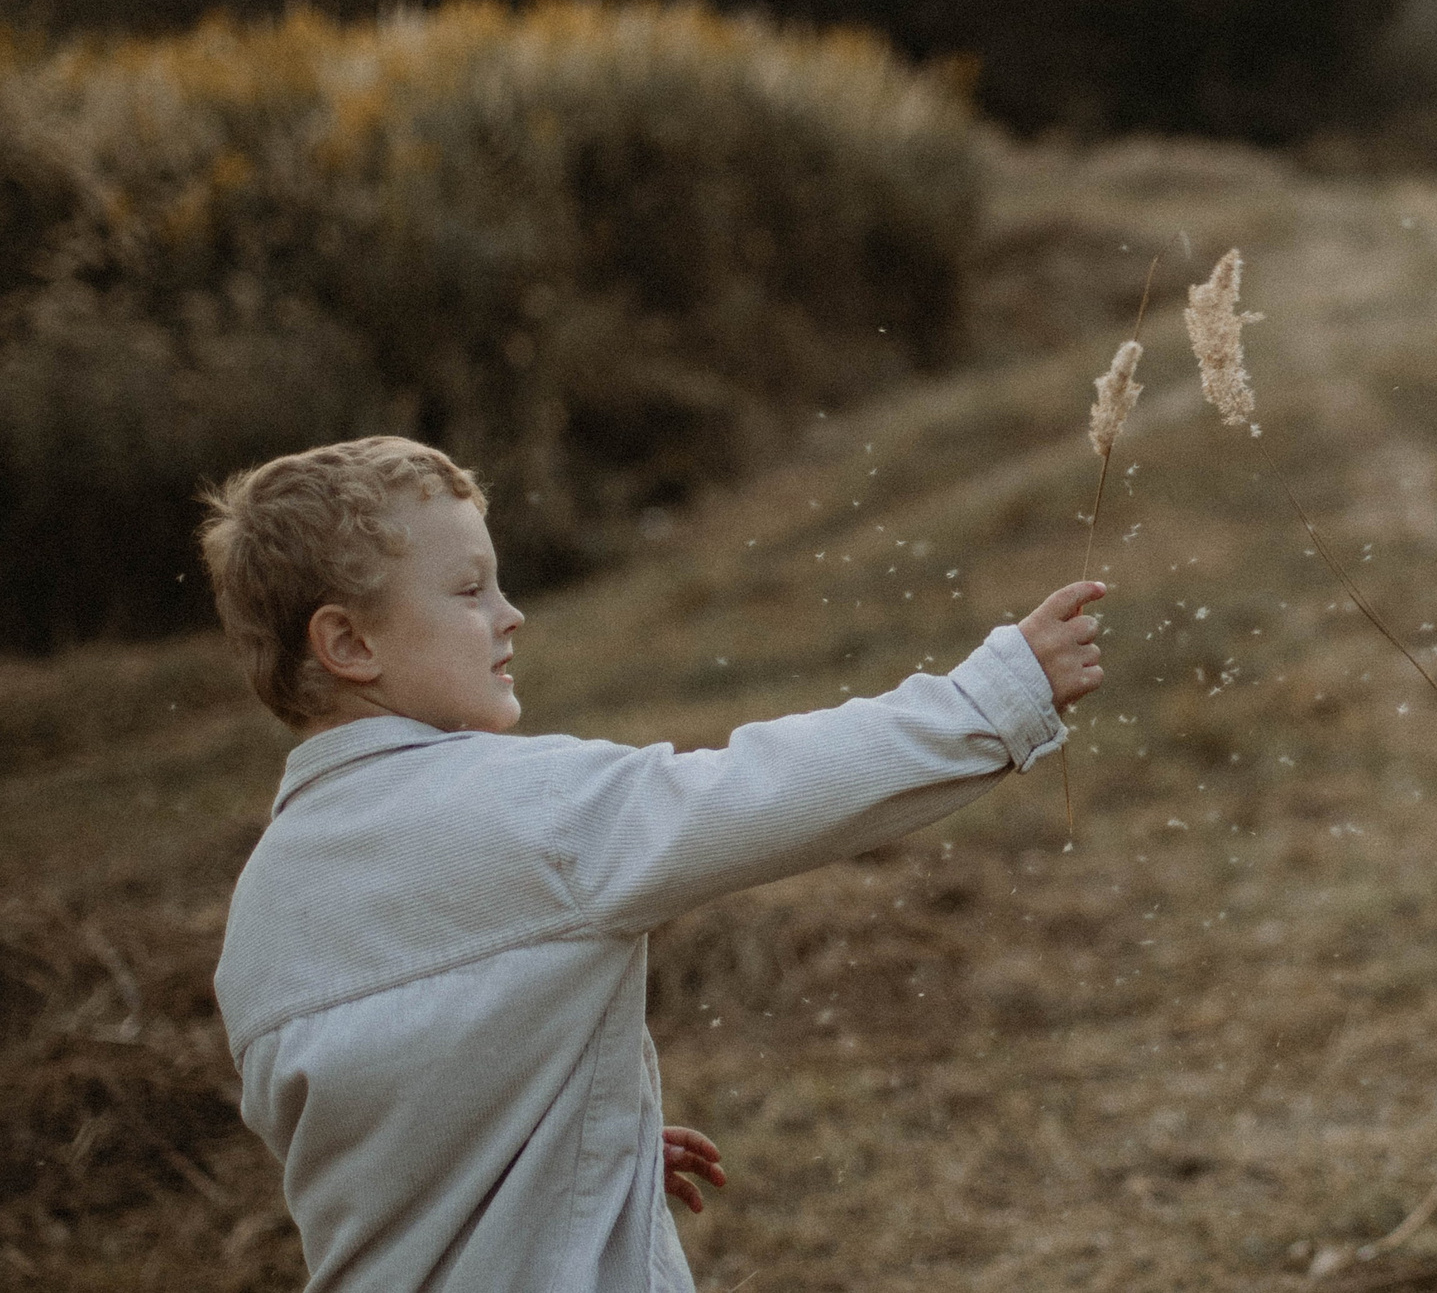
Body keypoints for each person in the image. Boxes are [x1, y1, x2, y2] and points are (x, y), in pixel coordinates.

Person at [201, 435, 1103, 1292]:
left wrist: (571, 1143)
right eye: (469, 589)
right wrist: (992, 698)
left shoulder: (260, 913)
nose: (510, 613)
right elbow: (760, 794)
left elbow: (377, 1133)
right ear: (350, 644)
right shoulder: (525, 811)